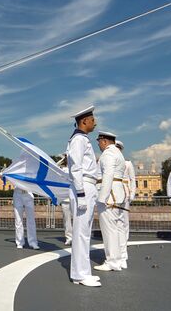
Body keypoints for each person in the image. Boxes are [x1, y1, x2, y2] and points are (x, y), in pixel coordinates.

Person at [66, 106, 101, 287]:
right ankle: (79, 274)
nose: (95, 122)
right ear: (84, 121)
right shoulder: (78, 140)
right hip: (83, 187)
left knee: (85, 232)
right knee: (81, 233)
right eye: (92, 119)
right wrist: (80, 193)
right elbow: (76, 168)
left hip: (88, 186)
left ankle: (84, 271)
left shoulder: (83, 139)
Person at [94, 131, 126, 271]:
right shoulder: (118, 153)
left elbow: (108, 175)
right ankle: (119, 259)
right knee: (118, 228)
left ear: (104, 141)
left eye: (99, 142)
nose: (99, 145)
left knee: (109, 230)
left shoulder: (107, 154)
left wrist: (102, 197)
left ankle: (112, 261)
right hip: (117, 193)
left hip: (109, 195)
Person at [115, 140, 135, 269]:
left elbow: (132, 179)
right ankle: (117, 241)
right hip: (114, 192)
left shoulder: (127, 163)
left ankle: (125, 239)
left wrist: (132, 194)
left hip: (125, 191)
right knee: (115, 218)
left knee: (124, 220)